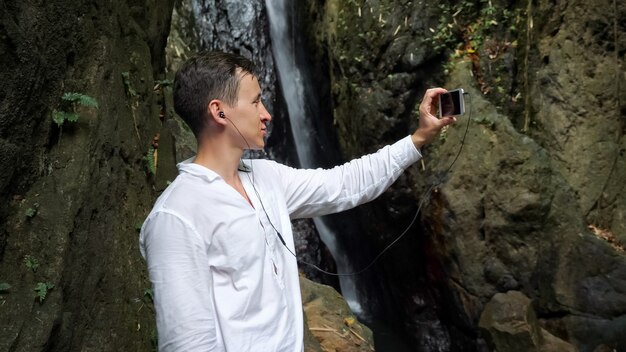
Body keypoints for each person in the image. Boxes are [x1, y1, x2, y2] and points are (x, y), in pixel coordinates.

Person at [139, 51, 456, 352]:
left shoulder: (267, 177)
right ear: (219, 111)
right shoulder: (176, 216)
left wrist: (419, 137)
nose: (267, 114)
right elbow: (188, 344)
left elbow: (345, 183)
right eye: (255, 102)